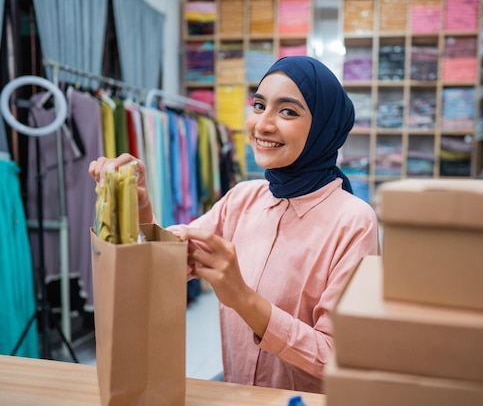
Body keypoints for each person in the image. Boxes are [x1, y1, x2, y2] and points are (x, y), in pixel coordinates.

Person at [88, 55, 380, 393]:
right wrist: (139, 205)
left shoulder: (353, 222)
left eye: (288, 111)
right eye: (259, 105)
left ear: (323, 128)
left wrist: (242, 298)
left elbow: (336, 357)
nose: (263, 124)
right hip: (236, 393)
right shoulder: (243, 198)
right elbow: (163, 266)